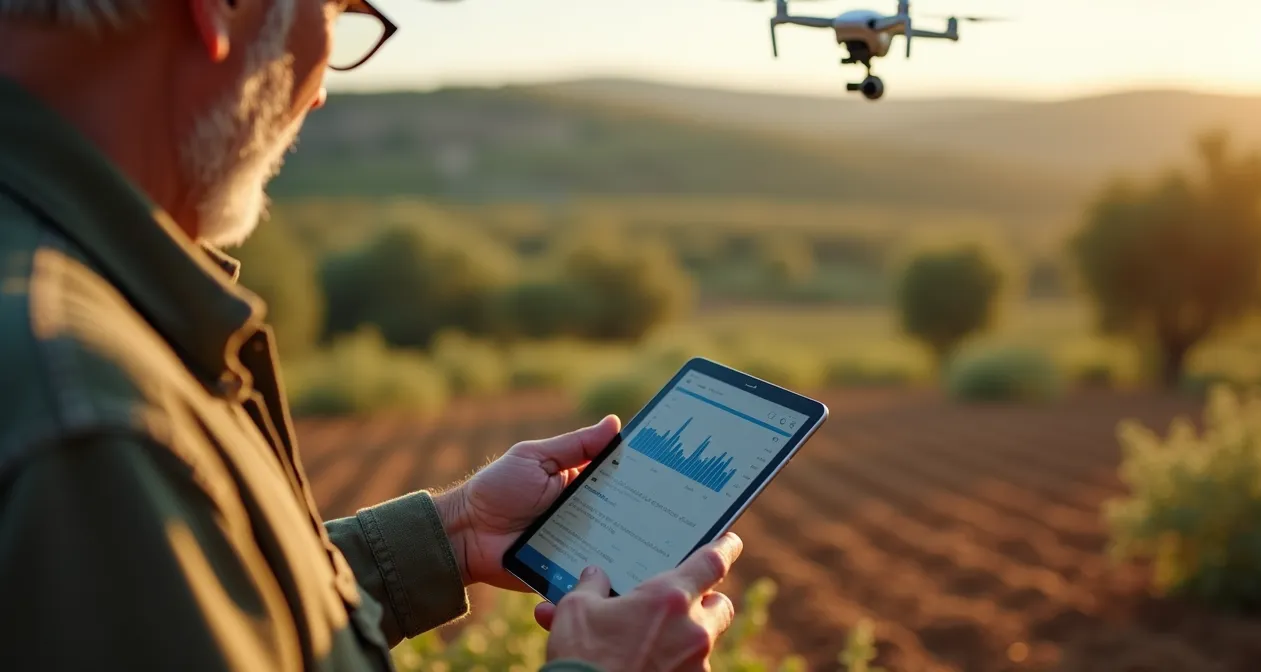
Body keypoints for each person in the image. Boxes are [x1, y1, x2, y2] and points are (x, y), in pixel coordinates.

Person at [0, 1, 743, 671]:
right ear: (220, 10)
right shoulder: (87, 410)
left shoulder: (63, 328)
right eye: (333, 12)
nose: (320, 91)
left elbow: (191, 614)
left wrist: (450, 535)